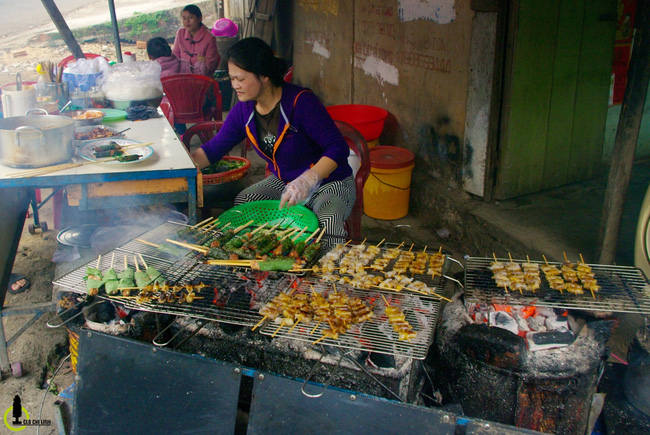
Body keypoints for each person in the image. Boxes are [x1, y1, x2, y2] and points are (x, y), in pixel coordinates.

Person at [191, 37, 355, 243]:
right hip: (284, 181)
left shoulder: (301, 103)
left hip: (329, 181)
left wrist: (308, 179)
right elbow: (214, 149)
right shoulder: (244, 110)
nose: (235, 85)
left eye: (240, 79)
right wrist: (183, 166)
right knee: (245, 203)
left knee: (327, 223)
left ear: (264, 75)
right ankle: (270, 266)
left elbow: (338, 148)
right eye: (232, 79)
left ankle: (328, 273)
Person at [171, 4, 219, 77]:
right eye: (184, 18)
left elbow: (211, 64)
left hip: (202, 79)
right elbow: (175, 56)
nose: (187, 21)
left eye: (190, 17)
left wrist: (202, 63)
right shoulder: (180, 33)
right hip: (182, 77)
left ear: (200, 18)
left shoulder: (209, 38)